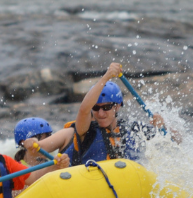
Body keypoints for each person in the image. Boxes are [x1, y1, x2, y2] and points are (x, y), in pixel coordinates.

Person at [36, 62, 172, 165]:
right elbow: (83, 110)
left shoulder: (134, 128)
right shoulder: (85, 130)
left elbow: (175, 142)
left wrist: (163, 127)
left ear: (117, 106)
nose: (100, 113)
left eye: (106, 107)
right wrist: (107, 76)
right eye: (95, 108)